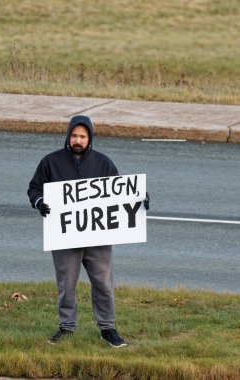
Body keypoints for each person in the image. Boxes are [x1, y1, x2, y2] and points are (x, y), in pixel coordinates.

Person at [27, 115, 149, 347]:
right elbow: (34, 188)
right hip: (64, 237)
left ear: (89, 138)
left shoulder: (104, 163)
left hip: (98, 237)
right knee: (66, 285)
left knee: (103, 283)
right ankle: (66, 327)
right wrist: (40, 201)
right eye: (74, 135)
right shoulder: (50, 162)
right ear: (68, 135)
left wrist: (139, 200)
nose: (77, 140)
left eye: (82, 136)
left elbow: (120, 191)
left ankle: (107, 329)